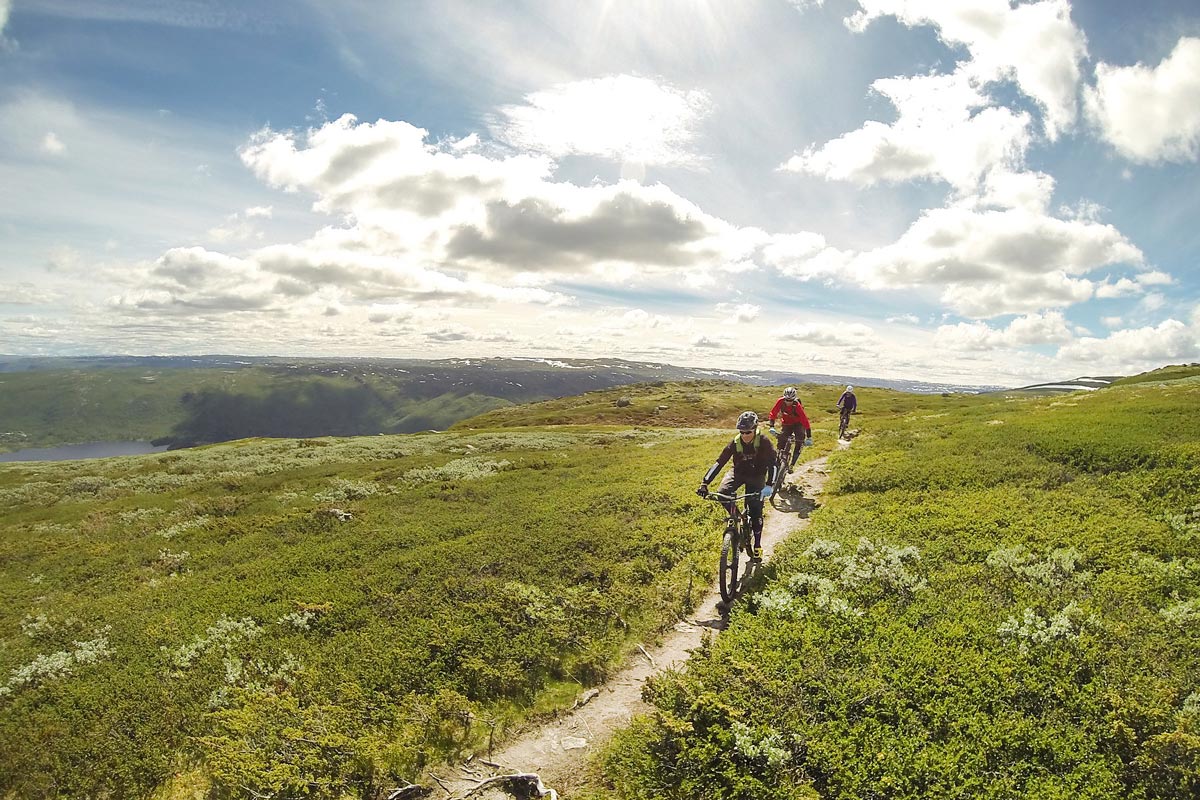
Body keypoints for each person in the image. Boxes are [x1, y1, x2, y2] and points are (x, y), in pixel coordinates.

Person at [696, 411, 777, 561]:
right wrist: (705, 483)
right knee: (723, 492)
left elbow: (773, 465)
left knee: (755, 510)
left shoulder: (764, 442)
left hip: (757, 476)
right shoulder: (735, 442)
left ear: (755, 429)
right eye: (742, 432)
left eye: (748, 432)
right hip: (738, 473)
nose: (745, 435)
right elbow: (719, 462)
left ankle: (757, 545)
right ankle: (739, 517)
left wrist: (769, 485)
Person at [767, 387, 812, 472]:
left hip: (798, 424)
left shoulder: (797, 405)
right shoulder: (780, 401)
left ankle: (792, 464)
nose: (788, 402)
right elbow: (773, 413)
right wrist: (771, 426)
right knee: (781, 440)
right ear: (784, 397)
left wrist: (809, 437)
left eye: (790, 400)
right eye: (787, 400)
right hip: (787, 423)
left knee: (799, 441)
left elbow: (804, 420)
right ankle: (778, 459)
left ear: (794, 399)